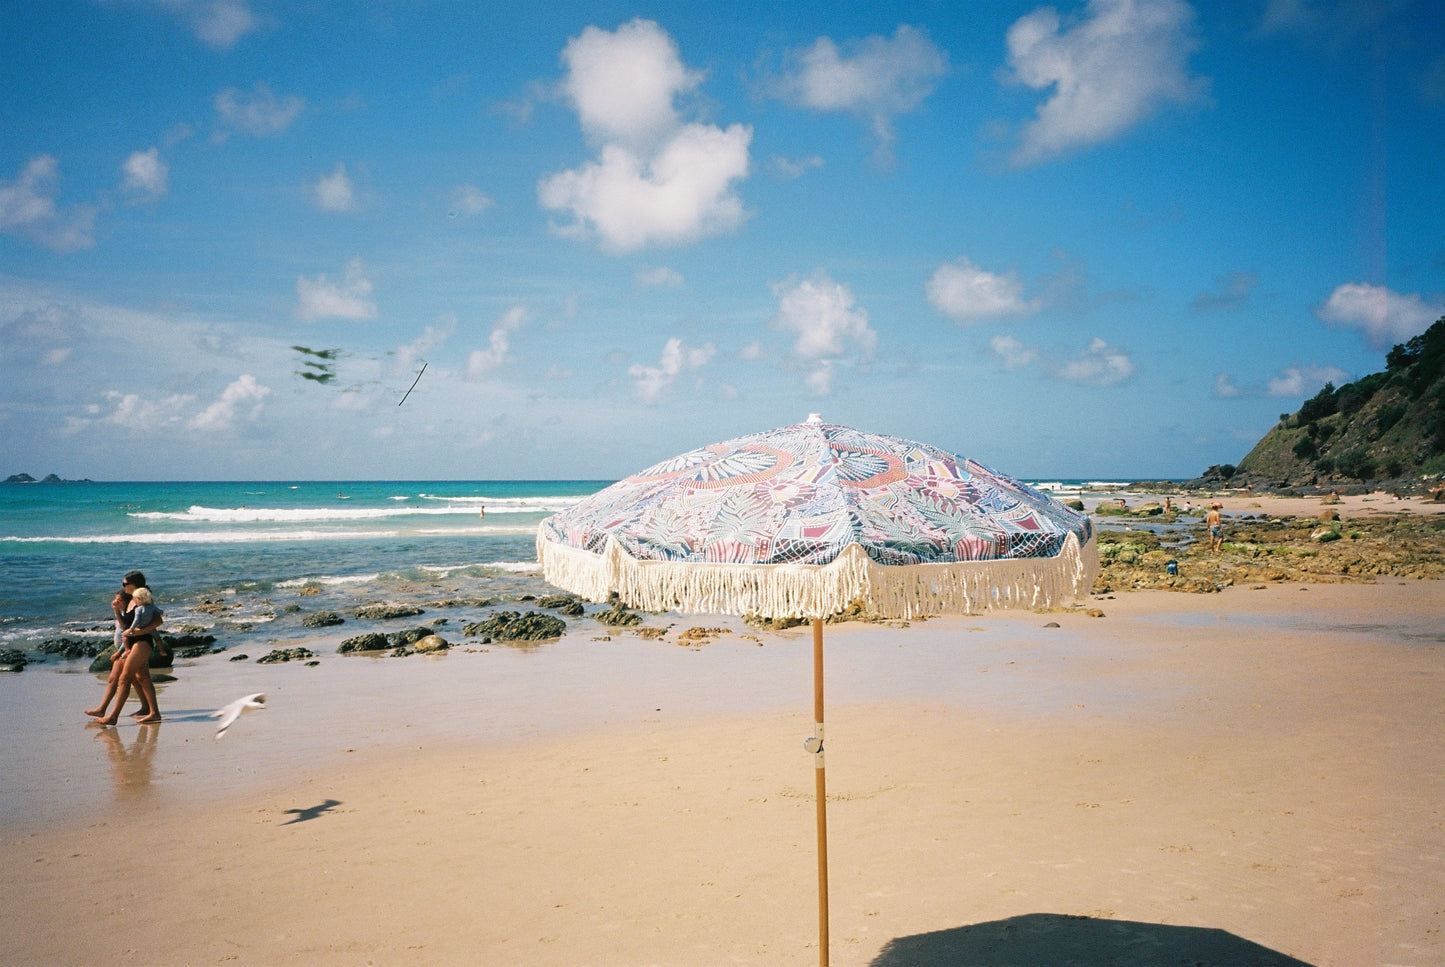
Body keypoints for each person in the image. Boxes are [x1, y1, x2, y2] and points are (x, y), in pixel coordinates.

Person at [93, 578, 165, 725]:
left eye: (125, 584)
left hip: (143, 642)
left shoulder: (144, 600)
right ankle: (152, 712)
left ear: (135, 584)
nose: (123, 586)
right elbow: (125, 625)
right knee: (142, 677)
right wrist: (116, 611)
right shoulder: (131, 601)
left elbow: (158, 622)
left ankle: (113, 716)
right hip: (131, 643)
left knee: (124, 678)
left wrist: (138, 632)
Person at [85, 571, 146, 720]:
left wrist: (120, 651)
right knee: (119, 679)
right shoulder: (125, 611)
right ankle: (102, 709)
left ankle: (115, 715)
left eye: (118, 600)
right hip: (124, 648)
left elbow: (127, 631)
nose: (115, 602)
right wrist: (116, 610)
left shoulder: (133, 609)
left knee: (129, 679)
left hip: (127, 649)